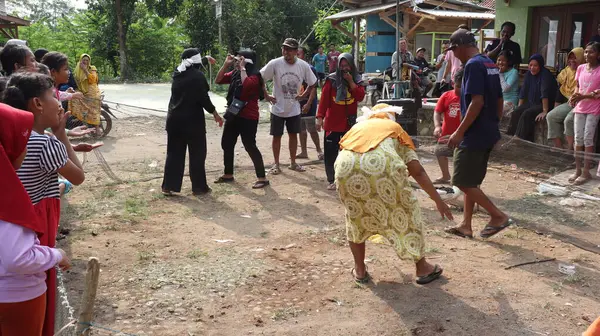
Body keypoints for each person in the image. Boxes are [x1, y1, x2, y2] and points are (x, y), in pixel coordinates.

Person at [3, 71, 84, 336]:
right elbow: (78, 176)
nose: (59, 102)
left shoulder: (12, 141)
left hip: (11, 222)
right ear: (37, 104)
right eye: (53, 95)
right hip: (35, 222)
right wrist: (62, 134)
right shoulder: (45, 143)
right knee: (41, 275)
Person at [334, 104, 453, 284]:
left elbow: (346, 154)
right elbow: (417, 171)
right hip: (380, 167)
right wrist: (438, 200)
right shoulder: (395, 129)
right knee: (407, 212)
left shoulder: (356, 129)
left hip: (344, 170)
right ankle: (422, 268)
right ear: (390, 117)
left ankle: (359, 270)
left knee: (355, 217)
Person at [443, 28, 512, 239]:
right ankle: (466, 225)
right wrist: (493, 124)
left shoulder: (473, 65)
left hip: (474, 133)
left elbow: (477, 101)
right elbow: (499, 99)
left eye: (453, 50)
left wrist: (459, 132)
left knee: (461, 180)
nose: (453, 54)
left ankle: (497, 216)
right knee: (471, 180)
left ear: (461, 46)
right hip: (487, 130)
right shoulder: (488, 63)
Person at [162, 48, 223, 196]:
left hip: (174, 120)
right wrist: (215, 114)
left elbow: (190, 63)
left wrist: (206, 58)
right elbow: (204, 99)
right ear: (196, 62)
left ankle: (168, 186)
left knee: (174, 153)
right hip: (192, 122)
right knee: (197, 154)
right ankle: (199, 187)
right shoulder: (198, 77)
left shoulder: (177, 72)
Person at [260, 38, 317, 174]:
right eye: (285, 49)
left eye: (290, 50)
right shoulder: (275, 63)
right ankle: (276, 164)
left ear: (296, 52)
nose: (287, 52)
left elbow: (313, 83)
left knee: (293, 135)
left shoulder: (303, 66)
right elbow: (260, 78)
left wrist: (304, 96)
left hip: (294, 109)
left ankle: (292, 162)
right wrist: (266, 95)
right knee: (277, 136)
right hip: (277, 108)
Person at [214, 49, 269, 189]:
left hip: (248, 116)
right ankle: (228, 174)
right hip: (233, 114)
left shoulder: (255, 76)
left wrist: (243, 68)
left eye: (239, 60)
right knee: (227, 143)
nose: (236, 63)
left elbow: (247, 86)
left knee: (250, 145)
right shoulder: (235, 74)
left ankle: (262, 177)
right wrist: (226, 65)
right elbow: (218, 80)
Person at [317, 53, 365, 190]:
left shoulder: (357, 79)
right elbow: (324, 100)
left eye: (347, 65)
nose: (344, 69)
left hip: (349, 124)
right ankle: (332, 179)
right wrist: (319, 118)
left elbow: (360, 97)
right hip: (332, 123)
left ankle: (347, 178)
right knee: (330, 153)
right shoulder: (331, 80)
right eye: (342, 66)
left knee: (348, 154)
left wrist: (351, 82)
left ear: (351, 65)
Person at [507, 54, 558, 142]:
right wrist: (520, 107)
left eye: (535, 65)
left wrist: (545, 111)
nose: (532, 68)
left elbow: (544, 93)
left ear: (540, 66)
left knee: (527, 114)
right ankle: (510, 136)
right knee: (516, 112)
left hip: (543, 104)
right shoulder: (529, 74)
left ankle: (520, 139)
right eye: (530, 65)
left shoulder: (545, 74)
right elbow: (523, 92)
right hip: (532, 102)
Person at [569, 42, 600, 185]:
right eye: (586, 52)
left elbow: (597, 93)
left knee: (588, 139)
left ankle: (586, 171)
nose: (587, 55)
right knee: (578, 139)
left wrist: (583, 96)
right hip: (580, 108)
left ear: (598, 55)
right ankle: (577, 170)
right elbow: (578, 86)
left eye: (591, 52)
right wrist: (574, 97)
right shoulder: (581, 68)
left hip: (594, 108)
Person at [546, 47, 584, 149]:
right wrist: (556, 107)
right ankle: (559, 148)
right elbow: (560, 91)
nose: (572, 61)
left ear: (581, 59)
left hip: (583, 103)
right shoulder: (566, 72)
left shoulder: (584, 71)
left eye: (575, 58)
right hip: (570, 102)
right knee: (551, 116)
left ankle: (569, 150)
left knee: (568, 120)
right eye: (570, 58)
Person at [433, 69, 463, 184]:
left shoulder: (470, 97)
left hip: (462, 136)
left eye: (463, 86)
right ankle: (445, 175)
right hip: (447, 134)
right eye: (458, 86)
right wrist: (437, 126)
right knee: (439, 151)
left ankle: (458, 180)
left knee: (460, 158)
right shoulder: (446, 96)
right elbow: (437, 111)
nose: (461, 89)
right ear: (452, 84)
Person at [297, 47, 323, 161]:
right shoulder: (294, 69)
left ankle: (319, 151)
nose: (296, 56)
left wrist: (308, 103)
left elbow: (313, 88)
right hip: (297, 103)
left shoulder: (310, 69)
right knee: (301, 129)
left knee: (311, 128)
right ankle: (303, 151)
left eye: (298, 54)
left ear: (304, 56)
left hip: (309, 103)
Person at [69, 54, 103, 134]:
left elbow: (92, 80)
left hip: (92, 90)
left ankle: (97, 127)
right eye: (83, 60)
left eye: (87, 60)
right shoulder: (77, 70)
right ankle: (79, 120)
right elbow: (76, 81)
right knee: (72, 99)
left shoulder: (92, 68)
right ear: (80, 60)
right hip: (81, 90)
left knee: (93, 108)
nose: (85, 62)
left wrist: (85, 70)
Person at [497, 50, 520, 118]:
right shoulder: (496, 71)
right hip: (500, 101)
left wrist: (500, 74)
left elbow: (505, 89)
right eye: (499, 60)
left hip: (510, 102)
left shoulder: (514, 72)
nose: (500, 62)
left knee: (495, 110)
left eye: (503, 60)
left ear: (509, 62)